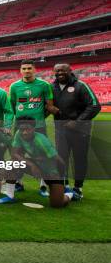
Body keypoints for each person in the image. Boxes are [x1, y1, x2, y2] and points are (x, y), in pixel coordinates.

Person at [0, 117, 72, 208]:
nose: (24, 132)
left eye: (28, 129)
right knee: (13, 163)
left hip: (51, 171)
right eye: (22, 129)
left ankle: (69, 194)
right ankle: (10, 196)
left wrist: (61, 180)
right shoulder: (19, 134)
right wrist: (32, 165)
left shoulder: (42, 140)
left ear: (34, 129)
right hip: (36, 165)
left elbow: (60, 161)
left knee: (57, 204)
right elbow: (14, 154)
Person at [52, 63, 100, 200]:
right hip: (60, 131)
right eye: (57, 71)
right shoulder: (52, 87)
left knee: (79, 159)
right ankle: (65, 186)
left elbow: (95, 105)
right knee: (61, 159)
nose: (60, 73)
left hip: (80, 132)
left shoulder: (81, 85)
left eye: (63, 70)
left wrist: (78, 122)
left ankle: (78, 188)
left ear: (70, 71)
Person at [9, 59, 58, 196]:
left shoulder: (44, 85)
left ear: (34, 69)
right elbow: (13, 106)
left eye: (29, 68)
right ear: (20, 70)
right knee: (17, 155)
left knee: (41, 155)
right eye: (24, 69)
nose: (26, 71)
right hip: (19, 127)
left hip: (38, 127)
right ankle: (19, 182)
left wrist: (40, 117)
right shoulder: (14, 86)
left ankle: (42, 186)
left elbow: (49, 106)